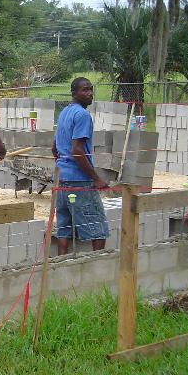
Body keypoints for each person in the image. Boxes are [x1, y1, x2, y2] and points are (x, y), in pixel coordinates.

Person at [52, 77, 109, 255]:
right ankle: (96, 270)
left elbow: (54, 148)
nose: (90, 93)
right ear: (74, 93)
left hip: (62, 181)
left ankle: (60, 267)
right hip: (79, 183)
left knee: (64, 229)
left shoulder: (64, 113)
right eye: (85, 90)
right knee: (98, 230)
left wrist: (64, 165)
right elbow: (77, 150)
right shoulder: (82, 115)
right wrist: (96, 178)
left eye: (91, 89)